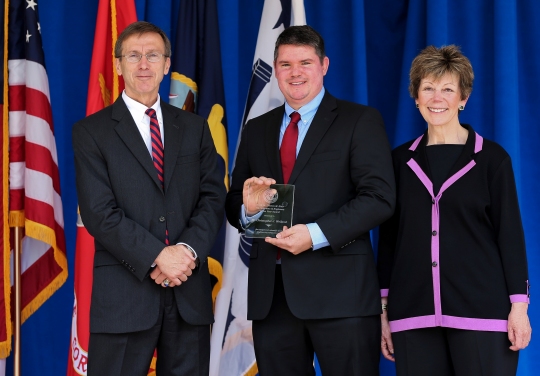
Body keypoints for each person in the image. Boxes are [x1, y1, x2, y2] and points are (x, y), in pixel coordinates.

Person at [225, 25, 396, 375]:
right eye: (286, 64)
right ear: (275, 70)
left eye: (305, 62)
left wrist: (315, 234)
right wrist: (248, 208)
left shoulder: (358, 121)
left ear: (324, 65)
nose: (295, 72)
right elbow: (233, 203)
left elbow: (379, 198)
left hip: (341, 298)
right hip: (272, 300)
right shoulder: (257, 128)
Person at [72, 21, 226, 375]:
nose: (144, 64)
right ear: (118, 64)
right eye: (134, 56)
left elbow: (212, 196)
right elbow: (99, 213)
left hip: (188, 293)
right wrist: (158, 256)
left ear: (166, 64)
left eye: (153, 55)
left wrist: (184, 253)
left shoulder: (194, 127)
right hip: (125, 296)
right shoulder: (91, 132)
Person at [377, 45, 531, 375]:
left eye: (448, 89)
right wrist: (383, 310)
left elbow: (511, 236)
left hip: (483, 315)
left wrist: (519, 307)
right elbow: (389, 240)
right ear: (416, 97)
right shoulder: (398, 162)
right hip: (412, 314)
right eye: (428, 88)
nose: (437, 98)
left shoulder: (493, 160)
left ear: (463, 98)